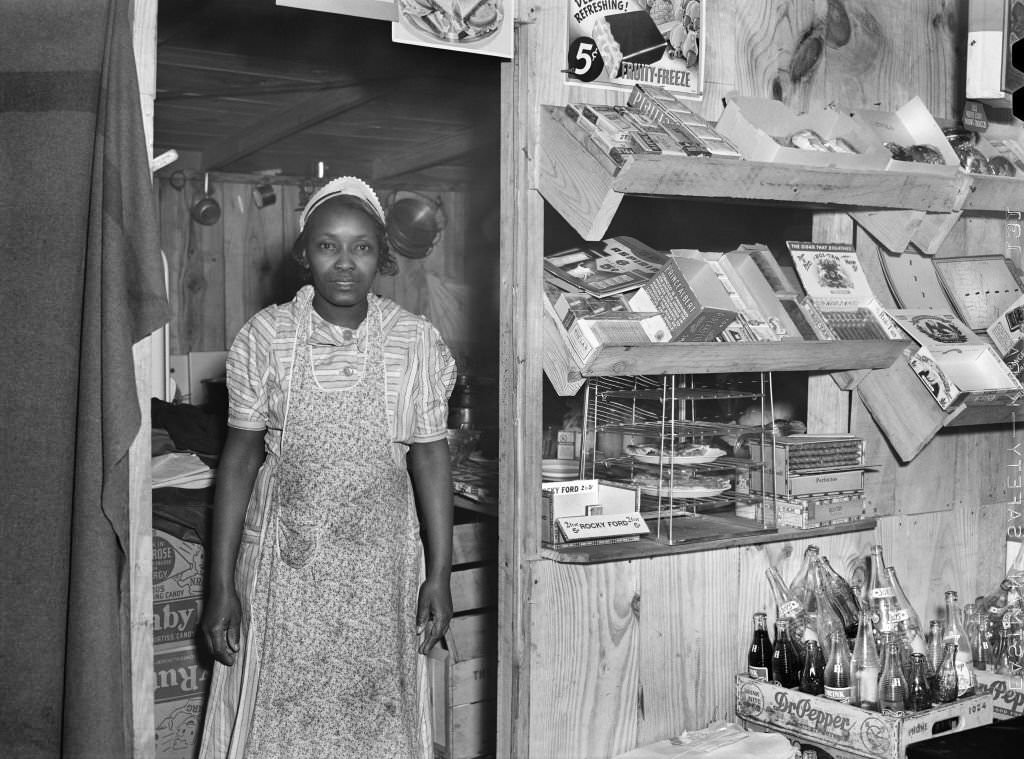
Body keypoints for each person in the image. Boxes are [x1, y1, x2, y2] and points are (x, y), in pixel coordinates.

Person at [198, 176, 457, 758]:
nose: (345, 262)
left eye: (362, 246)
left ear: (382, 255)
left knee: (375, 721)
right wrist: (221, 587)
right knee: (280, 723)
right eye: (327, 245)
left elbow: (430, 456)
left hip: (380, 569)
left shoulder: (416, 342)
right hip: (287, 569)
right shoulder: (266, 337)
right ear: (303, 254)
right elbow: (238, 463)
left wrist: (438, 573)